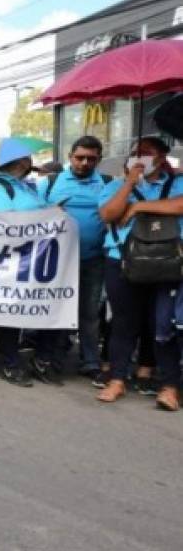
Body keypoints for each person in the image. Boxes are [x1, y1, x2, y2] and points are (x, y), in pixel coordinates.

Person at [97, 137, 183, 410]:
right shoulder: (114, 186)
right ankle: (117, 379)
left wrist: (138, 206)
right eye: (136, 152)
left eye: (148, 153)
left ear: (161, 158)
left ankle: (170, 387)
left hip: (168, 263)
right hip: (122, 261)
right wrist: (130, 185)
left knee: (164, 326)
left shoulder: (176, 182)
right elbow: (109, 214)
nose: (140, 157)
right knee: (123, 324)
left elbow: (180, 205)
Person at [0, 141, 62, 387]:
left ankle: (42, 359)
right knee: (11, 311)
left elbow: (40, 213)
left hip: (38, 258)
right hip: (11, 259)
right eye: (28, 158)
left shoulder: (26, 188)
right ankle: (11, 363)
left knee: (48, 306)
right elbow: (4, 221)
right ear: (21, 162)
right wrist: (45, 216)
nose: (31, 162)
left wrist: (52, 211)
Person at [38, 136, 110, 381]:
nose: (85, 163)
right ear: (70, 157)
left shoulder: (107, 183)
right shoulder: (49, 183)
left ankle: (90, 361)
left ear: (99, 160)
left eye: (91, 159)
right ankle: (53, 359)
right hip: (57, 261)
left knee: (90, 313)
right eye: (80, 157)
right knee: (58, 309)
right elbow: (31, 216)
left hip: (94, 259)